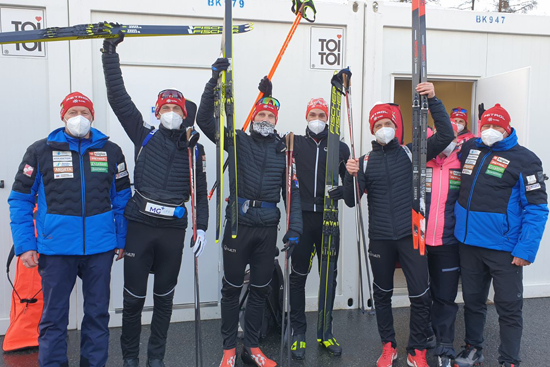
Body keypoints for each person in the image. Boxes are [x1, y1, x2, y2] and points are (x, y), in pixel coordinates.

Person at [101, 37, 209, 367]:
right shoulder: (143, 134)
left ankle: (155, 359)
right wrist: (110, 54)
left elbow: (200, 194)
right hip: (140, 227)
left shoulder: (194, 149)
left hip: (172, 232)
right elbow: (118, 99)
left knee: (164, 301)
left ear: (184, 113)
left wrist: (201, 226)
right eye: (166, 108)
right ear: (158, 110)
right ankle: (130, 358)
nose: (172, 113)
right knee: (133, 301)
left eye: (177, 108)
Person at [8, 92, 132, 367]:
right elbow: (20, 199)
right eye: (73, 112)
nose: (79, 118)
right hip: (55, 249)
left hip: (100, 249)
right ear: (63, 116)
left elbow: (123, 200)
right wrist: (26, 244)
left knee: (98, 315)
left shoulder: (111, 152)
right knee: (53, 317)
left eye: (84, 113)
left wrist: (121, 238)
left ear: (93, 117)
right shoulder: (40, 151)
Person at [196, 59, 302, 367]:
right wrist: (213, 82)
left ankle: (252, 347)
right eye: (262, 113)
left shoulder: (284, 150)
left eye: (271, 114)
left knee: (259, 290)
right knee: (231, 289)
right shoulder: (238, 140)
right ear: (254, 116)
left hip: (267, 229)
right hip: (238, 226)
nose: (266, 118)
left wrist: (294, 228)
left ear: (275, 119)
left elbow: (292, 192)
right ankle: (229, 348)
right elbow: (205, 121)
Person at [344, 83, 454, 367]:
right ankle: (388, 346)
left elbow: (446, 135)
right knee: (382, 296)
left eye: (387, 123)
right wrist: (350, 175)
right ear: (372, 130)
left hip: (410, 235)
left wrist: (433, 101)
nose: (384, 128)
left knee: (420, 295)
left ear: (394, 125)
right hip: (380, 238)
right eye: (378, 124)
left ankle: (416, 350)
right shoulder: (365, 162)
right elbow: (351, 200)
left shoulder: (411, 152)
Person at [453, 104, 548, 367]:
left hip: (504, 248)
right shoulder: (471, 148)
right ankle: (473, 348)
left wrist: (525, 249)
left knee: (508, 308)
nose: (490, 131)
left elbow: (537, 208)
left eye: (496, 127)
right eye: (486, 126)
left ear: (507, 129)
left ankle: (509, 360)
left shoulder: (525, 159)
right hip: (468, 243)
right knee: (472, 302)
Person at [289, 96, 350, 359]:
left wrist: (345, 187)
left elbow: (351, 194)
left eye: (321, 115)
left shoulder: (340, 147)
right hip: (302, 218)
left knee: (328, 278)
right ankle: (298, 332)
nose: (317, 119)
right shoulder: (294, 144)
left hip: (327, 219)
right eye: (313, 114)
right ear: (306, 117)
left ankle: (325, 332)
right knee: (298, 276)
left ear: (328, 118)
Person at [424, 120, 461, 367]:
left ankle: (445, 346)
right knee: (422, 294)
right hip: (419, 241)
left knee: (445, 296)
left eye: (451, 137)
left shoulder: (463, 162)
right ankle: (423, 336)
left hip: (448, 242)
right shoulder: (421, 160)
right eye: (441, 136)